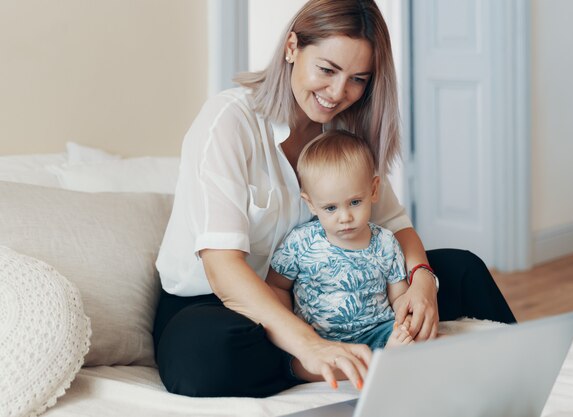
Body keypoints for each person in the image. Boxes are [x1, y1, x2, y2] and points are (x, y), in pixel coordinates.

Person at [153, 0, 516, 399]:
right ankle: (316, 366)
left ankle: (526, 380)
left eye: (358, 79)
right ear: (292, 47)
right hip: (225, 302)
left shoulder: (342, 133)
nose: (338, 93)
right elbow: (223, 270)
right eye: (327, 70)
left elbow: (397, 227)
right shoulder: (228, 122)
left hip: (328, 295)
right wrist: (309, 344)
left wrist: (421, 282)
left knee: (463, 268)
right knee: (204, 353)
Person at [267, 129, 417, 351]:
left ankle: (382, 356)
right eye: (330, 208)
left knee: (420, 338)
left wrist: (405, 325)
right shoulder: (300, 242)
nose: (345, 217)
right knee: (291, 362)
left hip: (377, 331)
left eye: (355, 202)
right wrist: (293, 327)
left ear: (373, 190)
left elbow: (399, 296)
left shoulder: (385, 242)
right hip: (319, 339)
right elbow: (276, 286)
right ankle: (364, 361)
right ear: (311, 204)